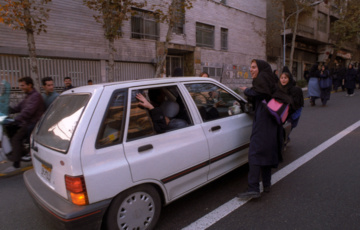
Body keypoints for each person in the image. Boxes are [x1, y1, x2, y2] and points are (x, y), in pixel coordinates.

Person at [237, 59, 282, 199]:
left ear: (261, 68)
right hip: (271, 122)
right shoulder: (270, 78)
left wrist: (247, 90)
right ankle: (267, 184)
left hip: (264, 121)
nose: (251, 69)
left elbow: (259, 93)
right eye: (250, 67)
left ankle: (253, 188)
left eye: (254, 67)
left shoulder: (262, 78)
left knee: (255, 153)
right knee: (266, 152)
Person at [1, 77, 45, 173]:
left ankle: (16, 165)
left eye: (22, 85)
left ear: (29, 85)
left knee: (16, 139)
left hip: (33, 123)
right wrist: (5, 109)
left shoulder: (35, 96)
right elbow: (18, 107)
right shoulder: (28, 96)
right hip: (25, 122)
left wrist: (15, 119)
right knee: (12, 133)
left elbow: (28, 112)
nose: (21, 87)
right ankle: (23, 153)